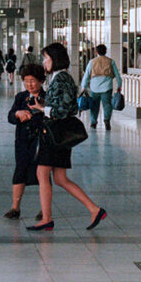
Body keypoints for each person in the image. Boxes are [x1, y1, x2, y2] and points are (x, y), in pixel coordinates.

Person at [27, 42, 107, 232]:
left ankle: (47, 218)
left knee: (42, 174)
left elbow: (62, 110)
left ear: (54, 59)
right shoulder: (59, 77)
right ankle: (94, 209)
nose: (44, 62)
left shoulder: (61, 78)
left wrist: (41, 108)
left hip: (54, 133)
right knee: (60, 178)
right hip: (58, 133)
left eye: (46, 58)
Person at [3, 63, 46, 219]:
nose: (29, 84)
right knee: (20, 170)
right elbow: (10, 116)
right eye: (26, 80)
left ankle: (44, 209)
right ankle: (15, 207)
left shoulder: (46, 98)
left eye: (33, 80)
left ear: (41, 81)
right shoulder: (21, 97)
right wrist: (17, 114)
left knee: (42, 175)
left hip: (41, 141)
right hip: (22, 140)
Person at [80, 43, 123, 130]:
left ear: (96, 52)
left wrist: (84, 86)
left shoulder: (92, 62)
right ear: (105, 51)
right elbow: (117, 75)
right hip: (107, 87)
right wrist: (119, 85)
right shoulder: (111, 61)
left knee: (94, 106)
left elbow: (87, 75)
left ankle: (93, 122)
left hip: (94, 87)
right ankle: (106, 120)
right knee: (107, 105)